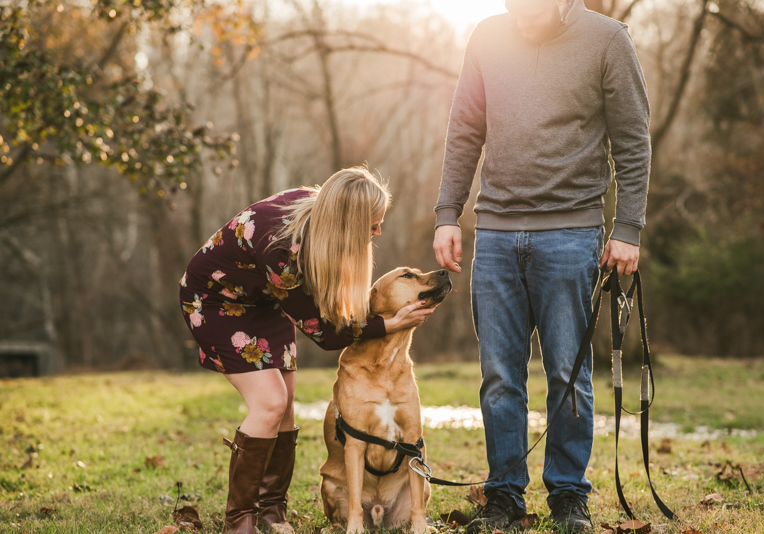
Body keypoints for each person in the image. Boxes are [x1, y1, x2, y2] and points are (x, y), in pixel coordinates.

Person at [432, 0, 650, 532]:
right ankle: (504, 498)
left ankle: (569, 497)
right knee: (499, 376)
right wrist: (447, 214)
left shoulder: (607, 39)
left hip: (572, 234)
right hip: (497, 232)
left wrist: (627, 228)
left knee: (568, 375)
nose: (519, 14)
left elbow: (632, 138)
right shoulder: (486, 36)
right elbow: (464, 129)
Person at [180, 167, 435, 534]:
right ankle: (239, 519)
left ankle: (272, 511)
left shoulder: (318, 217)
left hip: (267, 300)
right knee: (269, 404)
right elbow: (327, 336)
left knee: (285, 406)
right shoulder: (281, 247)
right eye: (372, 225)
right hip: (215, 301)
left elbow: (322, 312)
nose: (378, 232)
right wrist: (389, 324)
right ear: (347, 220)